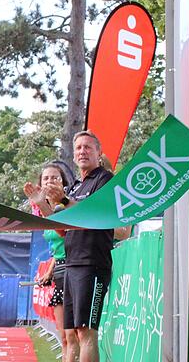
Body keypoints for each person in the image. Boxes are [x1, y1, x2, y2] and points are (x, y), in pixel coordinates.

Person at [44, 131, 131, 362]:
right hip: (72, 263)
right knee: (71, 334)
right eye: (79, 148)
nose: (83, 151)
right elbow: (64, 230)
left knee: (86, 332)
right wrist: (48, 206)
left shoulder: (104, 179)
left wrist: (62, 200)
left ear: (98, 153)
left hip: (92, 264)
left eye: (88, 147)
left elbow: (92, 215)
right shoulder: (74, 186)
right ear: (73, 156)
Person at [23, 162, 77, 361]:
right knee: (63, 336)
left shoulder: (66, 206)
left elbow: (65, 234)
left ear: (63, 182)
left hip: (76, 269)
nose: (50, 181)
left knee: (73, 336)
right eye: (46, 178)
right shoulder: (42, 211)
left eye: (55, 177)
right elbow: (57, 249)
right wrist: (49, 272)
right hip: (60, 272)